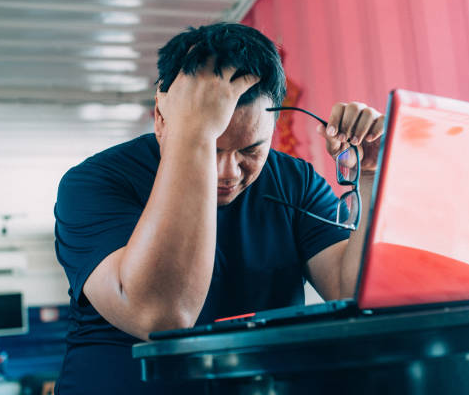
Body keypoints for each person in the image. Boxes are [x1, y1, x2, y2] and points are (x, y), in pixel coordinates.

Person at [53, 22, 385, 394]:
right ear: (161, 119)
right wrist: (193, 134)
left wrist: (371, 175)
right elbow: (162, 317)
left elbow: (354, 291)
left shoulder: (296, 180)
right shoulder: (94, 183)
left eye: (250, 150)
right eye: (213, 148)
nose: (226, 173)